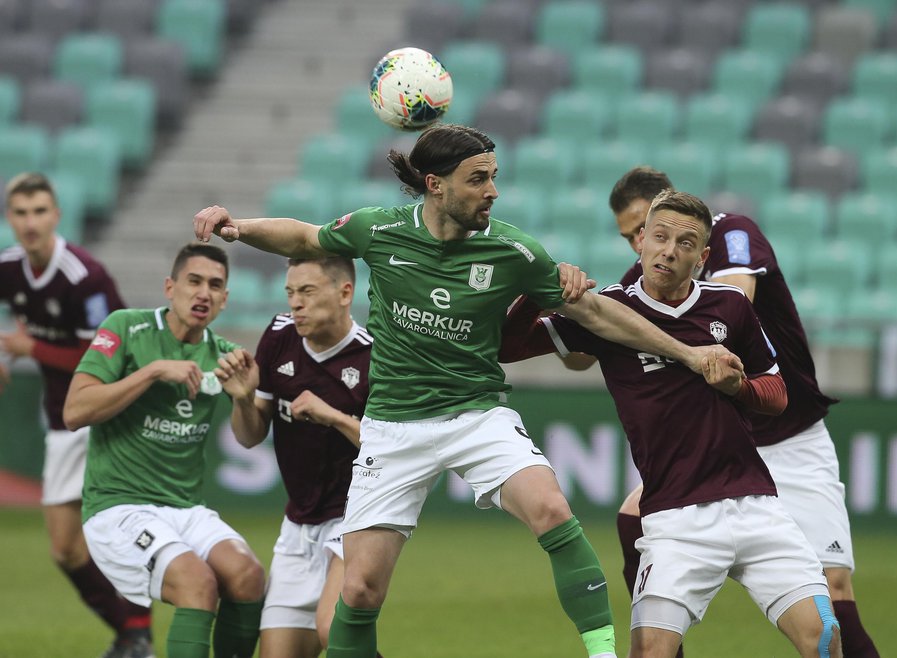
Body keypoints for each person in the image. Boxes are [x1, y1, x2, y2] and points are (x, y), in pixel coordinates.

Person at [192, 124, 730, 658]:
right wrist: (237, 227)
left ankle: (604, 654)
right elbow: (306, 238)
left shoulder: (515, 252)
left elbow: (594, 313)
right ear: (435, 184)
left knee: (551, 509)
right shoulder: (378, 231)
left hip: (475, 415)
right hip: (393, 426)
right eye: (478, 179)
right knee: (358, 591)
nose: (492, 191)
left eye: (494, 177)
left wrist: (687, 353)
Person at [500, 189, 841, 658]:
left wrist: (736, 389)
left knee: (823, 636)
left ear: (702, 257)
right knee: (651, 653)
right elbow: (506, 348)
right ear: (641, 241)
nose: (669, 251)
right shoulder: (608, 311)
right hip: (676, 519)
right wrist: (535, 295)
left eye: (685, 244)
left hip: (757, 506)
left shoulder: (730, 306)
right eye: (659, 237)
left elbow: (776, 395)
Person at [604, 167, 880, 658]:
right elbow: (590, 342)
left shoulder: (732, 231)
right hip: (725, 447)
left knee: (834, 590)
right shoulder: (646, 277)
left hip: (789, 434)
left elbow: (736, 303)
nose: (638, 246)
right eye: (633, 238)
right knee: (633, 518)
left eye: (639, 230)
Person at [62, 243, 266, 658]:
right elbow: (74, 412)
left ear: (225, 299)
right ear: (170, 287)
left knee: (248, 575)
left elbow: (249, 438)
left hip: (185, 508)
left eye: (215, 285)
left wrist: (245, 399)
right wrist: (152, 372)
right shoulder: (126, 327)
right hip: (117, 507)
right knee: (198, 584)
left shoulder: (226, 357)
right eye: (194, 281)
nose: (203, 293)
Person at [0, 172, 154, 658]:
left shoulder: (84, 276)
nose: (31, 223)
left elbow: (117, 355)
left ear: (57, 215)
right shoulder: (7, 269)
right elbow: (17, 328)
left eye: (40, 211)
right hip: (61, 419)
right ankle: (131, 632)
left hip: (106, 416)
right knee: (65, 549)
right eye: (21, 213)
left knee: (120, 533)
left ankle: (139, 635)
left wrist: (32, 348)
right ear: (10, 218)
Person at [216, 256, 384, 658]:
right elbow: (250, 436)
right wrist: (241, 400)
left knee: (334, 633)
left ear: (345, 293)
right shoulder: (278, 336)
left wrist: (332, 416)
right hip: (298, 526)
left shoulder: (373, 358)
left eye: (307, 292)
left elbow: (392, 452)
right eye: (291, 293)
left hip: (355, 516)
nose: (296, 304)